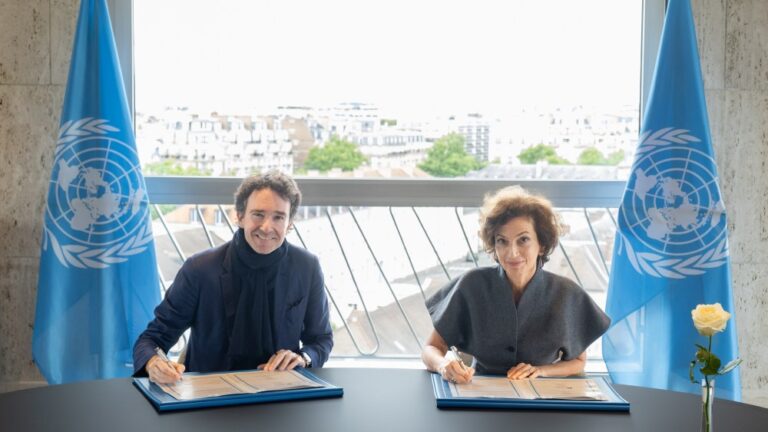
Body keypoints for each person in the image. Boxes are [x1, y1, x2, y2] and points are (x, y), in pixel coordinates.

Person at [133, 170, 333, 384]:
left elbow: (321, 340)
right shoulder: (200, 269)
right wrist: (154, 363)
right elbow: (151, 339)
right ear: (239, 216)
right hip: (209, 396)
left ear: (290, 223)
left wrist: (303, 357)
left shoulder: (307, 267)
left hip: (280, 393)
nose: (267, 227)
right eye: (258, 214)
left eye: (278, 217)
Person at [421, 186, 610, 384]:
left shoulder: (567, 293)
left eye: (523, 240)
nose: (512, 253)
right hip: (479, 393)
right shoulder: (471, 285)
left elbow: (579, 362)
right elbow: (431, 348)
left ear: (542, 245)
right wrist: (444, 365)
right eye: (502, 241)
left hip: (540, 397)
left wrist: (540, 371)